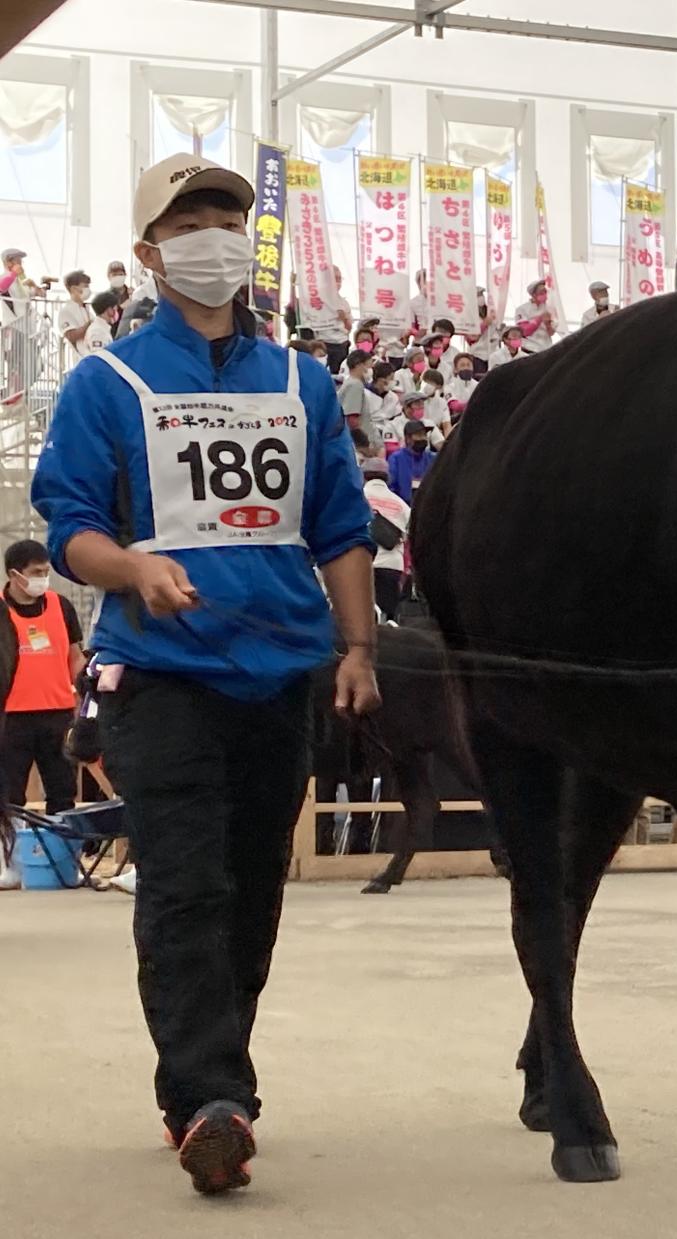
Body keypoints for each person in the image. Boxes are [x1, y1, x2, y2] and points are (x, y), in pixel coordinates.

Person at [29, 152, 380, 1194]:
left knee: (253, 892)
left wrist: (358, 647)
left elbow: (341, 529)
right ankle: (213, 1096)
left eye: (226, 213)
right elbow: (74, 528)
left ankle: (201, 1080)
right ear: (149, 252)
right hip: (162, 674)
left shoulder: (300, 380)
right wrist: (133, 567)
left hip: (281, 675)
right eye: (189, 220)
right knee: (185, 886)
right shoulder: (109, 381)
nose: (213, 233)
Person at [2, 539, 86, 817]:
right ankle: (11, 855)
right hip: (11, 718)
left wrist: (86, 695)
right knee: (9, 795)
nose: (43, 578)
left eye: (45, 571)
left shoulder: (60, 606)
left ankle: (62, 854)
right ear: (15, 575)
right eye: (36, 572)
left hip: (58, 715)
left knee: (63, 792)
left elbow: (75, 655)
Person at [361, 456, 410, 622]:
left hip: (363, 563)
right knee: (386, 620)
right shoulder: (401, 504)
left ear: (363, 476)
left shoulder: (358, 497)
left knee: (362, 619)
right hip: (392, 566)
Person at [387, 416, 435, 505]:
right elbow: (391, 487)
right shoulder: (396, 459)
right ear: (408, 438)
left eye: (424, 435)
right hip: (403, 506)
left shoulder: (432, 458)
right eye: (419, 435)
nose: (423, 438)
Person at [54, 270, 96, 370]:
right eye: (85, 286)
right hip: (76, 363)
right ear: (73, 288)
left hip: (89, 359)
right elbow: (71, 335)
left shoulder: (87, 311)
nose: (87, 289)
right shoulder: (66, 311)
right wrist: (90, 325)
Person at [336, 349, 377, 451]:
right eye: (369, 366)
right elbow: (352, 419)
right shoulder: (355, 385)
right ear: (359, 365)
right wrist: (363, 445)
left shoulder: (351, 384)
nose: (371, 369)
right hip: (359, 446)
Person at [514, 279, 559, 353]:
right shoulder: (522, 309)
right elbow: (525, 332)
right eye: (541, 292)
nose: (545, 294)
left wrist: (548, 324)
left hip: (546, 348)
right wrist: (540, 319)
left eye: (545, 291)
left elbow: (551, 333)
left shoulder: (549, 309)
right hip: (529, 348)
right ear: (533, 294)